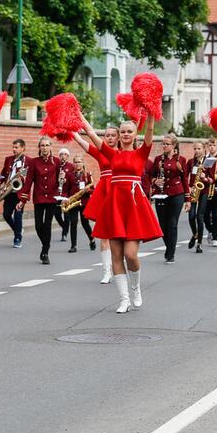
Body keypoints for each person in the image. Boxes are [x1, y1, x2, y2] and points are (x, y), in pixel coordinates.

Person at [81, 115, 162, 313]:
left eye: (129, 132)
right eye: (123, 132)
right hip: (115, 206)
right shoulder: (112, 154)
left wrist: (150, 111)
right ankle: (124, 299)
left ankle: (135, 289)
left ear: (135, 135)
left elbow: (150, 131)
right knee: (116, 255)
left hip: (133, 206)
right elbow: (91, 134)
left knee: (130, 254)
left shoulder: (141, 153)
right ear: (119, 135)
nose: (125, 134)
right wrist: (78, 115)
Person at [74, 127, 118, 283]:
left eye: (113, 135)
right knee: (104, 235)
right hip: (105, 191)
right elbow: (81, 142)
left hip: (120, 191)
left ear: (118, 137)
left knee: (121, 234)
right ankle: (107, 271)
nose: (110, 138)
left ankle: (120, 266)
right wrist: (70, 129)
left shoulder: (124, 152)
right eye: (107, 135)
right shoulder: (101, 152)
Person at [16, 137, 61, 265]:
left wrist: (61, 194)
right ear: (39, 147)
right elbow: (28, 181)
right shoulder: (34, 162)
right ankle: (46, 243)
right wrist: (22, 200)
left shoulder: (56, 162)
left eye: (47, 145)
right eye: (42, 145)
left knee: (47, 225)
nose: (45, 148)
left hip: (52, 198)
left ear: (51, 147)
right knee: (38, 226)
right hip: (39, 197)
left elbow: (60, 182)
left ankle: (45, 252)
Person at [151, 134, 189, 263]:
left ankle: (170, 253)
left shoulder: (181, 160)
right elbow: (151, 176)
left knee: (172, 224)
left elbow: (185, 180)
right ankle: (169, 246)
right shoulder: (158, 159)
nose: (164, 146)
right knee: (162, 225)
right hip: (161, 194)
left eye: (167, 144)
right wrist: (155, 181)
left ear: (174, 145)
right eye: (163, 143)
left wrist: (187, 199)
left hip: (176, 193)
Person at [0, 139, 29, 248]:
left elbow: (29, 178)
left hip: (20, 192)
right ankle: (18, 230)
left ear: (23, 148)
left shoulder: (28, 161)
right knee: (6, 215)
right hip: (8, 191)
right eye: (13, 147)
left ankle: (17, 238)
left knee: (18, 215)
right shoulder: (8, 159)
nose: (14, 149)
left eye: (16, 147)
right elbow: (3, 174)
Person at [63, 155, 95, 253]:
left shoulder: (87, 175)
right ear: (73, 163)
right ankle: (73, 245)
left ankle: (92, 239)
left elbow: (93, 189)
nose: (77, 164)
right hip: (73, 202)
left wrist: (88, 190)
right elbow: (65, 189)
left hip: (84, 202)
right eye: (75, 162)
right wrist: (65, 198)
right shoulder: (69, 175)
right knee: (73, 223)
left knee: (85, 223)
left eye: (79, 162)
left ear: (83, 163)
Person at [186, 141, 212, 253]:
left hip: (204, 191)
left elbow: (212, 179)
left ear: (204, 149)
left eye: (199, 149)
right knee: (191, 216)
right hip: (193, 190)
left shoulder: (209, 161)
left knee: (199, 217)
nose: (197, 151)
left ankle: (199, 243)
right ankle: (195, 233)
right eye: (195, 149)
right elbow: (184, 177)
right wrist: (188, 187)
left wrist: (204, 178)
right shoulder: (191, 162)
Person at [53, 148, 74, 241]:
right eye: (61, 154)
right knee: (56, 213)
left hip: (66, 193)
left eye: (65, 154)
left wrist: (67, 180)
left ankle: (64, 233)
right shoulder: (56, 166)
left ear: (68, 156)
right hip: (57, 193)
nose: (63, 156)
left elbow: (73, 179)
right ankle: (64, 227)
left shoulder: (71, 166)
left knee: (66, 214)